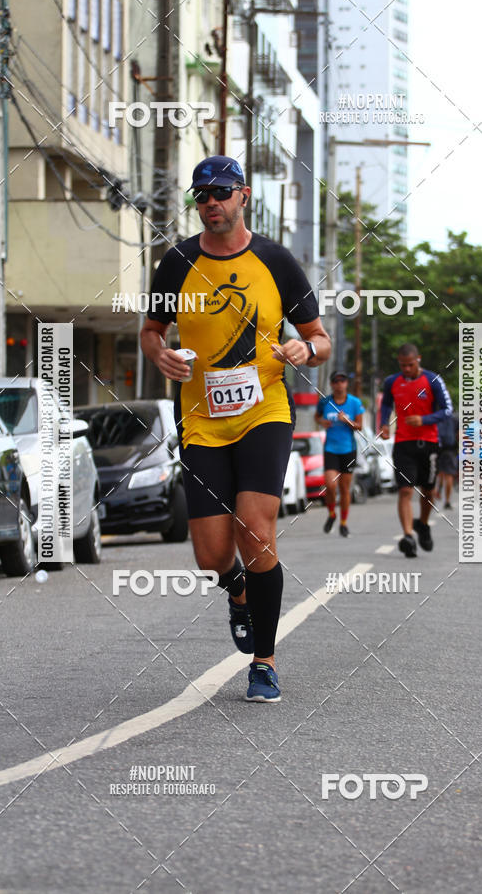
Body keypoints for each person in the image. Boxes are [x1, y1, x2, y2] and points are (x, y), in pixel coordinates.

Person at [140, 156, 330, 702]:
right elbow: (153, 330)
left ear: (244, 196)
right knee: (211, 556)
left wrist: (303, 349)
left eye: (221, 193)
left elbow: (320, 339)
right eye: (201, 196)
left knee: (256, 529)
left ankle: (264, 663)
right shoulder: (176, 262)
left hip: (265, 412)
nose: (210, 203)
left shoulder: (275, 260)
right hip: (202, 420)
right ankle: (237, 589)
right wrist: (162, 356)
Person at [380, 343, 453, 558]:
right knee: (405, 490)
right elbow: (385, 405)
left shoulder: (433, 381)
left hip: (428, 443)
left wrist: (424, 419)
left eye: (410, 365)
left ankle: (422, 524)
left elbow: (447, 410)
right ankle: (408, 536)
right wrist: (384, 423)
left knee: (428, 491)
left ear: (418, 360)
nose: (407, 369)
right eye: (402, 365)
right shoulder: (392, 382)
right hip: (403, 443)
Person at [315, 371, 364, 537]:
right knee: (330, 485)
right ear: (331, 384)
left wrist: (347, 421)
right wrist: (322, 422)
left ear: (346, 384)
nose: (339, 384)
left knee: (344, 488)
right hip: (331, 449)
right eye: (336, 381)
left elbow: (359, 426)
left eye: (342, 381)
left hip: (348, 449)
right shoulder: (325, 402)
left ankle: (343, 523)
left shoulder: (354, 403)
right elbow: (317, 417)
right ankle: (331, 514)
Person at [435, 412, 459, 509]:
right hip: (450, 450)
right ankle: (447, 501)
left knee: (439, 473)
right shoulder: (454, 419)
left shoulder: (435, 416)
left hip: (437, 449)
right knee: (448, 475)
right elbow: (459, 435)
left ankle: (437, 492)